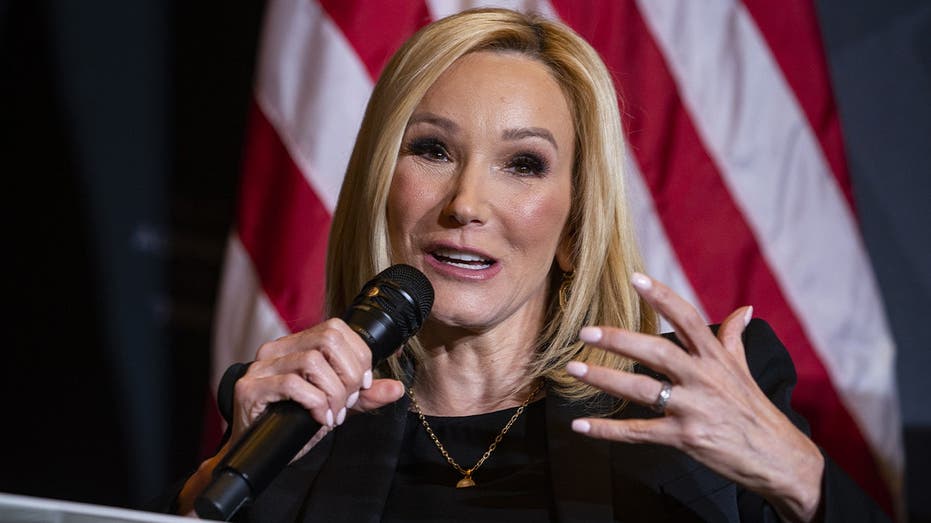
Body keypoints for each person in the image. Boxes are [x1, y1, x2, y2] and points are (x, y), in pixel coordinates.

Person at [173, 8, 888, 522]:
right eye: (432, 150)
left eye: (523, 164)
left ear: (576, 224)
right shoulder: (297, 421)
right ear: (378, 187)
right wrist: (218, 483)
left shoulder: (688, 411)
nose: (466, 203)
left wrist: (802, 478)